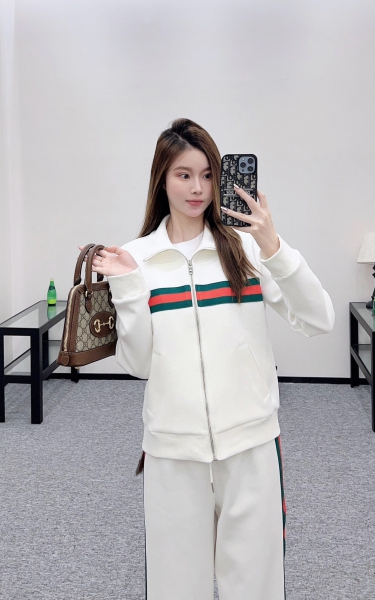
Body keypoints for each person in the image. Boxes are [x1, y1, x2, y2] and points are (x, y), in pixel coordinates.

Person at [80, 118, 335, 600]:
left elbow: (319, 318)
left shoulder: (246, 249)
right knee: (177, 588)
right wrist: (129, 286)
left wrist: (274, 247)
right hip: (173, 454)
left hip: (251, 447)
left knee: (256, 588)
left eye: (207, 174)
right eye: (183, 175)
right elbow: (139, 364)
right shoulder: (137, 259)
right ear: (162, 179)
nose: (197, 188)